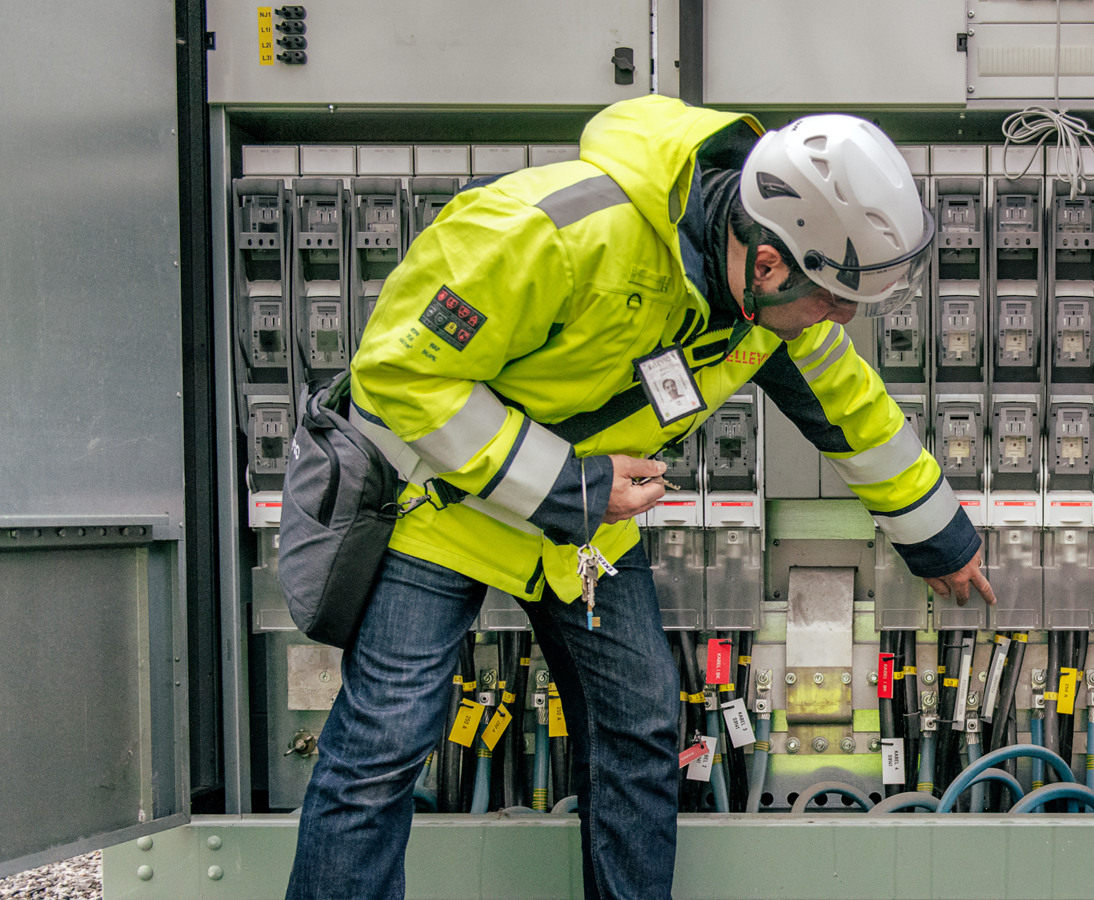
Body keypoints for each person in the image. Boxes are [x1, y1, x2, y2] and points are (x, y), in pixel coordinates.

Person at [283, 95, 995, 900]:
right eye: (831, 302)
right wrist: (568, 485)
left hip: (582, 525)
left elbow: (853, 411)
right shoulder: (548, 232)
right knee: (385, 742)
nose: (835, 322)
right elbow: (403, 373)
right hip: (443, 507)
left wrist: (942, 538)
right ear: (767, 263)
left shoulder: (765, 310)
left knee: (641, 725)